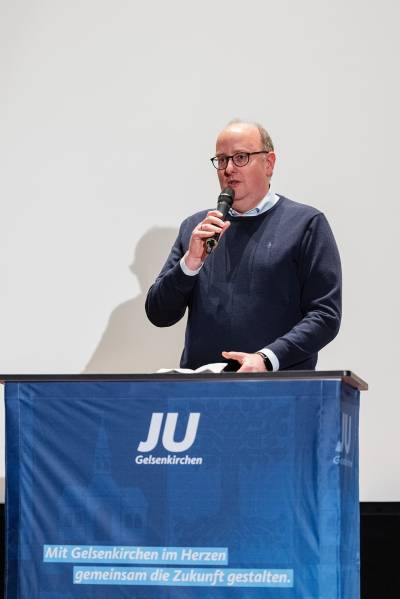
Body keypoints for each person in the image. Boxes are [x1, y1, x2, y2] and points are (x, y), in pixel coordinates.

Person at [145, 120, 341, 372]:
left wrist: (267, 359)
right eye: (221, 160)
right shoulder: (197, 228)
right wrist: (190, 263)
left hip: (277, 386)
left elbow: (325, 315)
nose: (228, 169)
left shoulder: (306, 224)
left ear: (269, 163)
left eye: (240, 157)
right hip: (202, 388)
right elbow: (159, 314)